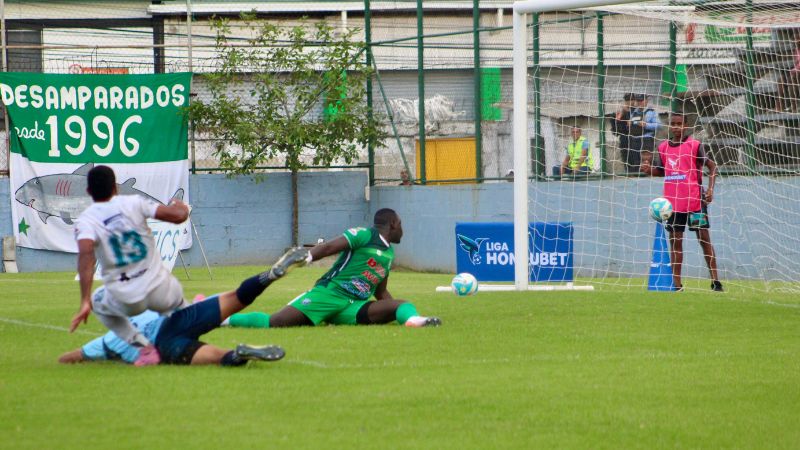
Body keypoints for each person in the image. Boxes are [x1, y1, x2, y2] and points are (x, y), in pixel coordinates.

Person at [58, 249, 309, 366]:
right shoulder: (145, 306)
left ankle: (239, 354)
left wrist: (64, 360)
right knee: (236, 298)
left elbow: (73, 356)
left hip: (166, 347)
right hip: (178, 319)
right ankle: (270, 275)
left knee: (214, 356)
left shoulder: (107, 341)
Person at [223, 208, 442, 329]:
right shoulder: (364, 235)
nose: (402, 229)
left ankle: (415, 321)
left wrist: (391, 310)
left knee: (403, 305)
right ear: (393, 224)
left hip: (354, 306)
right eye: (401, 224)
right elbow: (329, 246)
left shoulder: (388, 254)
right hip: (330, 293)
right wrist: (304, 257)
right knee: (277, 322)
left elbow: (380, 291)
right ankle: (225, 319)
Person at [71, 165, 191, 366]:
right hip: (160, 287)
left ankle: (145, 350)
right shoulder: (134, 203)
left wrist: (84, 301)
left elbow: (86, 256)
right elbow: (177, 216)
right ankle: (204, 322)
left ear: (89, 191)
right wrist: (181, 206)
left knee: (97, 300)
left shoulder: (86, 220)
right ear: (115, 188)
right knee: (184, 310)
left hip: (127, 297)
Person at [641, 113, 723, 292]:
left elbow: (712, 166)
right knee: (675, 242)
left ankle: (716, 281)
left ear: (686, 126)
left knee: (704, 239)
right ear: (670, 126)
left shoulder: (695, 146)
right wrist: (649, 170)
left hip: (695, 202)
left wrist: (710, 189)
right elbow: (663, 171)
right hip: (673, 204)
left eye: (680, 124)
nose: (676, 127)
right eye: (673, 124)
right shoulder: (663, 148)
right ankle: (677, 284)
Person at [629, 94, 660, 170]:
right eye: (637, 101)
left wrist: (646, 125)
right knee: (636, 160)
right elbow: (633, 122)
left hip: (647, 139)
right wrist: (630, 123)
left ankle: (652, 174)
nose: (639, 103)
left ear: (646, 101)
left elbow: (658, 125)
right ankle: (637, 176)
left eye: (641, 101)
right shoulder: (634, 112)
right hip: (635, 139)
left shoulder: (651, 112)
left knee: (647, 159)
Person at [776, 31, 800, 112]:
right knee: (781, 80)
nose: (795, 42)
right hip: (797, 71)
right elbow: (796, 64)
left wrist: (794, 70)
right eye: (794, 40)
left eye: (797, 39)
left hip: (797, 72)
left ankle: (794, 106)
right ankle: (779, 106)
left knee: (793, 78)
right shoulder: (796, 50)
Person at [611, 93, 635, 173]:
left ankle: (636, 173)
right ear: (625, 101)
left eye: (632, 100)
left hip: (636, 137)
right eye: (628, 100)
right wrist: (619, 118)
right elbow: (615, 130)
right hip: (625, 138)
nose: (631, 102)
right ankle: (629, 172)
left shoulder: (637, 111)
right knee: (626, 157)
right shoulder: (619, 112)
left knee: (635, 158)